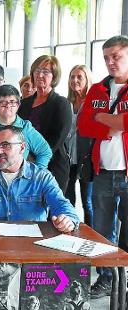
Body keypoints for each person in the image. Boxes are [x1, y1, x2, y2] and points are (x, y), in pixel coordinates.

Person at [77, 35, 128, 298]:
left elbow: (126, 124)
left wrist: (101, 118)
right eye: (106, 57)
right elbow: (84, 125)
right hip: (103, 173)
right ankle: (107, 278)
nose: (110, 62)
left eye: (116, 56)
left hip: (127, 174)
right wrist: (112, 119)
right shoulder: (97, 89)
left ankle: (125, 280)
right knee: (102, 230)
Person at [0, 125, 80, 232]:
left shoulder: (42, 177)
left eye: (6, 145)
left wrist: (68, 220)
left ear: (22, 148)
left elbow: (61, 205)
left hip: (33, 244)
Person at [18, 55, 73, 193]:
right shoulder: (24, 103)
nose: (40, 75)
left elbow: (57, 139)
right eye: (37, 70)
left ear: (54, 77)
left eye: (46, 71)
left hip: (53, 167)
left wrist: (35, 158)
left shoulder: (61, 104)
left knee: (52, 212)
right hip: (24, 166)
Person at [66, 65, 95, 226]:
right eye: (72, 76)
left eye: (79, 77)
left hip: (86, 158)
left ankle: (92, 234)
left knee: (87, 202)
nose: (74, 80)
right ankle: (71, 229)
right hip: (69, 157)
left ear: (87, 80)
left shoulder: (92, 103)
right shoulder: (66, 102)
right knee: (68, 199)